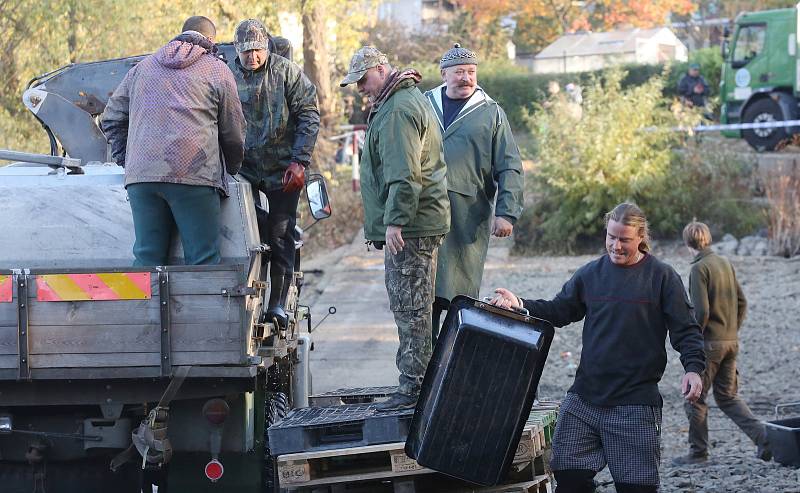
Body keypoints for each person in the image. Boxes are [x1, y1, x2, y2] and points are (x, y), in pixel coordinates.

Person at [490, 203, 705, 493]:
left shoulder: (662, 278)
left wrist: (693, 369)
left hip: (635, 404)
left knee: (637, 488)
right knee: (568, 478)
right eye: (611, 237)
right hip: (585, 399)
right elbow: (559, 310)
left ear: (641, 236)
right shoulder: (590, 274)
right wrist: (521, 305)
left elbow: (686, 329)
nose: (616, 246)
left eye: (624, 239)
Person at [340, 46, 450, 412]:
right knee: (415, 307)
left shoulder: (397, 110)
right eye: (356, 82)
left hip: (412, 226)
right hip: (419, 222)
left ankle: (414, 390)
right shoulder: (400, 102)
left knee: (411, 308)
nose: (360, 88)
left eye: (363, 79)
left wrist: (395, 222)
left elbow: (405, 174)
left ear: (382, 69)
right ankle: (420, 385)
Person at [101, 16, 245, 266]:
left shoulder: (142, 68)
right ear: (210, 41)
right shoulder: (216, 70)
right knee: (202, 261)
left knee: (147, 260)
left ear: (180, 35)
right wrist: (231, 168)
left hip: (142, 178)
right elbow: (233, 129)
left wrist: (128, 160)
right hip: (194, 175)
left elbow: (111, 117)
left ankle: (143, 306)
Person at [423, 44, 524, 342]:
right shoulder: (423, 105)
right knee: (421, 296)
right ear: (444, 74)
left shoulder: (490, 113)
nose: (465, 78)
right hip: (423, 212)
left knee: (458, 295)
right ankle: (419, 372)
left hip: (467, 216)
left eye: (470, 72)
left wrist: (506, 212)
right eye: (458, 72)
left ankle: (452, 365)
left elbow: (510, 166)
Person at [228, 19, 320, 326]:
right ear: (236, 52)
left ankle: (277, 305)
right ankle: (243, 300)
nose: (252, 57)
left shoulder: (286, 72)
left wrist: (300, 161)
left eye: (257, 50)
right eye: (245, 52)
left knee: (281, 234)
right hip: (242, 170)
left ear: (267, 48)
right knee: (245, 234)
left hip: (283, 168)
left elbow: (308, 114)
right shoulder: (225, 76)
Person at [673, 221, 771, 465]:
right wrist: (732, 330)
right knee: (727, 397)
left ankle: (698, 454)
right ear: (708, 239)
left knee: (694, 399)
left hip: (710, 345)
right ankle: (765, 439)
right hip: (731, 342)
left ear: (687, 244)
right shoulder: (724, 262)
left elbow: (702, 310)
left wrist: (694, 339)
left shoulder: (699, 268)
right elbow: (742, 302)